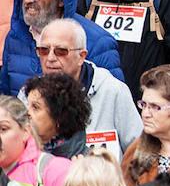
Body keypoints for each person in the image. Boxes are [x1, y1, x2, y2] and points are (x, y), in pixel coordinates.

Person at [1, 0, 124, 96]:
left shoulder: (98, 43)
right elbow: (5, 95)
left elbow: (112, 101)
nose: (28, 0)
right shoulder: (16, 36)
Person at [34, 18, 139, 155]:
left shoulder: (112, 90)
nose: (51, 58)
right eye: (44, 50)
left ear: (81, 56)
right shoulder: (30, 94)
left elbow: (139, 150)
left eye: (61, 51)